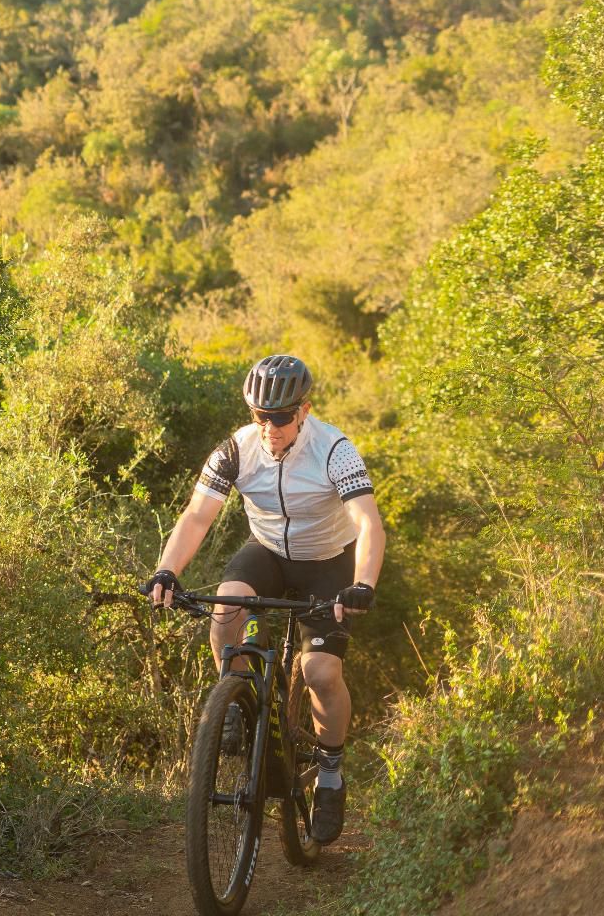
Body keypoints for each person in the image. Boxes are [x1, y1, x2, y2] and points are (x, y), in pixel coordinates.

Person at [142, 354, 384, 845]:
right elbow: (197, 518)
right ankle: (234, 701)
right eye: (260, 416)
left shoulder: (334, 449)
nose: (269, 427)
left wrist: (362, 585)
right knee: (225, 607)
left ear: (303, 410)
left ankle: (331, 773)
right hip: (268, 553)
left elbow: (368, 524)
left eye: (280, 416)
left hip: (327, 562)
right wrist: (167, 571)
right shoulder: (236, 449)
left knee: (320, 673)